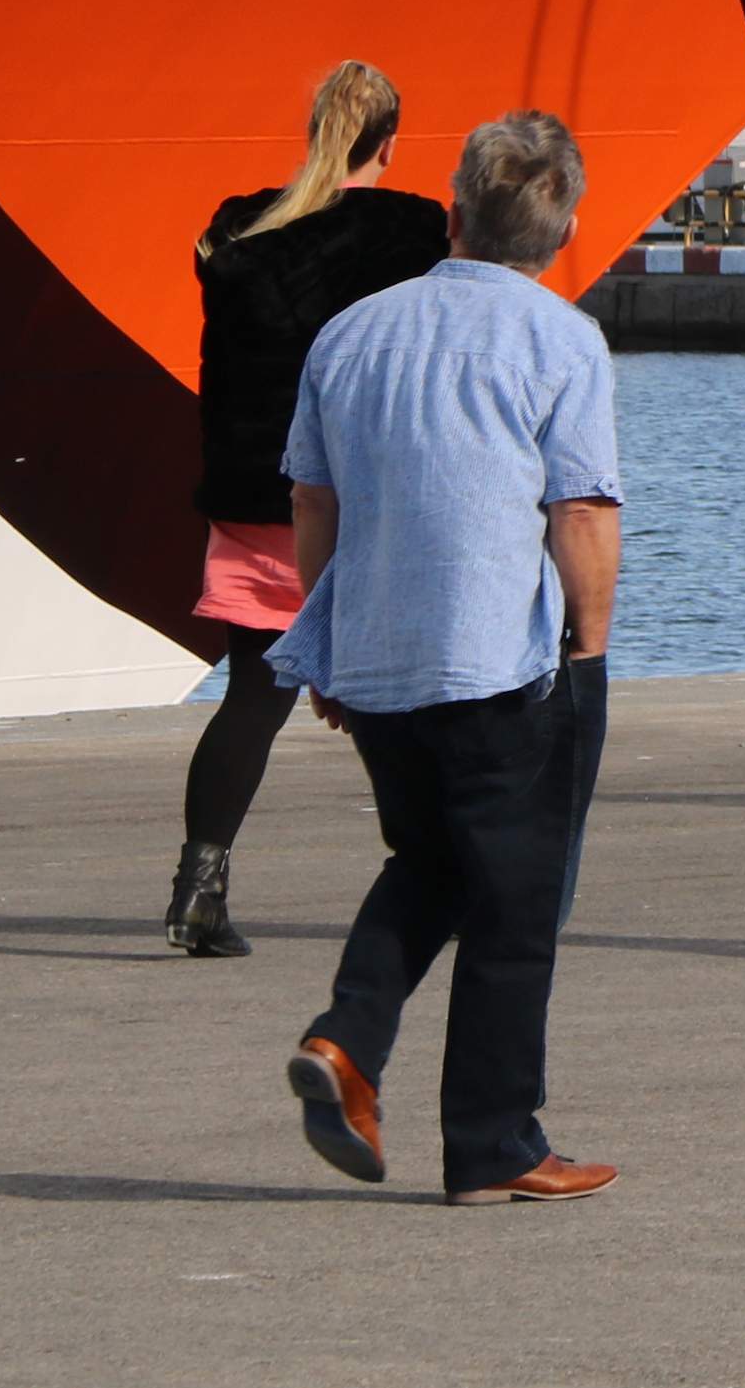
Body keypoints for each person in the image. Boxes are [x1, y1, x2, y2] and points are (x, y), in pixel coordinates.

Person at [272, 111, 624, 1206]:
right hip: (498, 660)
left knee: (429, 859)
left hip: (378, 652)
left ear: (454, 208)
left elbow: (314, 500)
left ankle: (347, 1038)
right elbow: (581, 509)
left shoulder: (351, 333)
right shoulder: (560, 337)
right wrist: (590, 647)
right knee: (516, 905)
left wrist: (329, 642)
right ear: (563, 229)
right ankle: (492, 1141)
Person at [167, 60, 450, 957]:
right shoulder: (409, 232)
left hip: (252, 501)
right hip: (355, 500)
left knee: (254, 697)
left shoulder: (238, 232)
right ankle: (438, 877)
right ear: (388, 143)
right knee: (394, 699)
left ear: (315, 129)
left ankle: (198, 888)